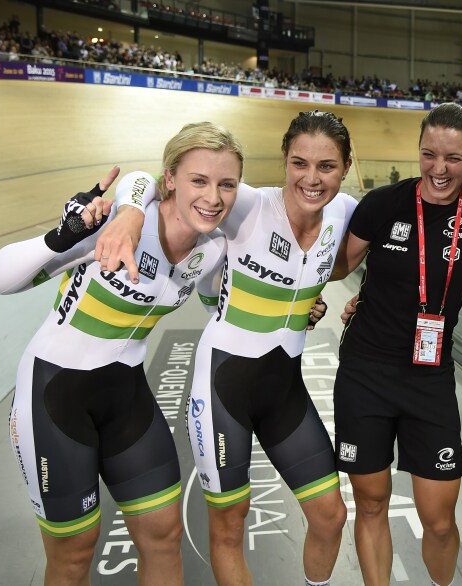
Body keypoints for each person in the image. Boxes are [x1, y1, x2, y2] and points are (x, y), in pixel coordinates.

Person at [96, 110, 356, 586]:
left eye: (327, 167)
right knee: (229, 523)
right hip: (223, 388)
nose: (312, 179)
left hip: (285, 392)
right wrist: (131, 211)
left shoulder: (346, 212)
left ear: (345, 168)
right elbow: (150, 180)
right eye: (300, 163)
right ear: (284, 160)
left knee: (330, 516)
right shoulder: (249, 204)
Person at [0, 121, 244, 586]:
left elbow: (211, 296)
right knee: (74, 553)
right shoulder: (112, 224)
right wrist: (58, 238)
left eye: (227, 184)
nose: (213, 196)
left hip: (126, 395)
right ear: (171, 179)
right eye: (198, 180)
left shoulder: (214, 248)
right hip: (55, 394)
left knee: (163, 534)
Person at [331, 102, 462, 586]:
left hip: (429, 376)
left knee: (438, 518)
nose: (439, 168)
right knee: (370, 503)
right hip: (365, 371)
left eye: (453, 158)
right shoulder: (383, 204)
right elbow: (338, 269)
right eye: (428, 154)